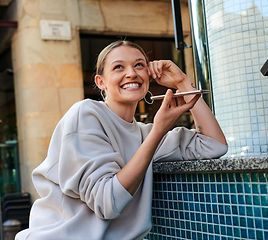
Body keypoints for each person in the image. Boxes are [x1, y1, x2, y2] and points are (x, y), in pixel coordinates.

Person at [15, 40, 227, 240]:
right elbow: (107, 202)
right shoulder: (85, 114)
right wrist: (158, 131)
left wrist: (182, 82)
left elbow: (214, 144)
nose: (131, 73)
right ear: (101, 82)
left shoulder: (145, 134)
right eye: (118, 67)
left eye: (139, 65)